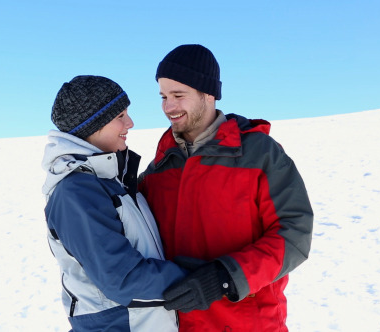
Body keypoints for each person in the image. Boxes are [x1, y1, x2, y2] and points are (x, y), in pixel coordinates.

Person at [138, 44, 314, 331]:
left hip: (248, 324)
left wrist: (226, 276)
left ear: (208, 95)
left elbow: (294, 233)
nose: (168, 107)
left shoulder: (260, 154)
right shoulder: (158, 169)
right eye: (163, 97)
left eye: (178, 96)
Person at [41, 75, 187, 331]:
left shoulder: (111, 180)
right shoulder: (76, 191)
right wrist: (195, 278)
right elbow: (122, 279)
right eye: (120, 115)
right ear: (92, 125)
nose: (130, 123)